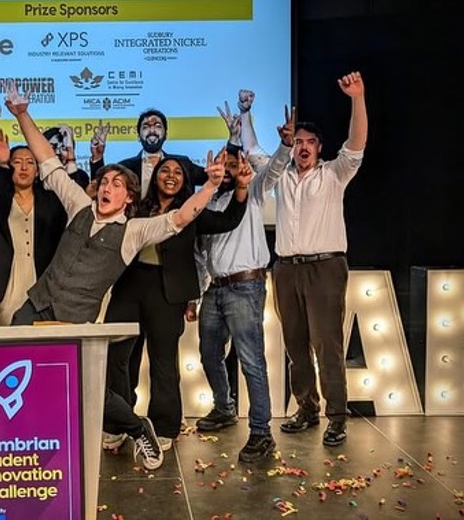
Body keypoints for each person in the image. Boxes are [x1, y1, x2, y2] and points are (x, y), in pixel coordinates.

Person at [1, 80, 227, 470]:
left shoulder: (134, 231)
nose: (106, 187)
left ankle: (138, 427)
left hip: (76, 318)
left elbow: (180, 218)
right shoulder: (78, 205)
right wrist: (22, 114)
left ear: (129, 197)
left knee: (86, 386)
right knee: (17, 369)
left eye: (116, 184)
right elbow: (47, 162)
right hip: (37, 303)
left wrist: (209, 185)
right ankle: (35, 437)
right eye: (104, 181)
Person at [102, 154, 252, 452]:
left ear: (185, 180)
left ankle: (164, 426)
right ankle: (118, 423)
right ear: (155, 176)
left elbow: (228, 220)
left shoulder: (191, 211)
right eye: (164, 170)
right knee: (118, 358)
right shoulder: (136, 208)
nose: (170, 175)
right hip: (129, 288)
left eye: (178, 172)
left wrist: (242, 189)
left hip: (168, 292)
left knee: (163, 362)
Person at [193, 89, 293, 463]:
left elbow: (274, 170)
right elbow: (201, 252)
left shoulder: (251, 191)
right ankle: (223, 406)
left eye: (231, 162)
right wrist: (197, 292)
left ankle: (261, 432)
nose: (226, 166)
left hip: (246, 287)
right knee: (207, 355)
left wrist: (283, 146)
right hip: (213, 290)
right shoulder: (208, 199)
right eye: (220, 162)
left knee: (251, 360)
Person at [272, 71, 368, 447]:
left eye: (310, 142)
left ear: (320, 147)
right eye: (298, 142)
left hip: (325, 267)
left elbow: (357, 142)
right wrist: (246, 118)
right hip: (285, 269)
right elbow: (253, 150)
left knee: (326, 343)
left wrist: (357, 98)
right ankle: (306, 408)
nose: (304, 147)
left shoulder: (333, 174)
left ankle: (337, 416)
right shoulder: (280, 176)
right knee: (295, 343)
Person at [0, 127, 70, 326]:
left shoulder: (52, 201)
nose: (24, 168)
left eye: (30, 163)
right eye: (17, 162)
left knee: (44, 346)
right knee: (10, 345)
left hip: (43, 280)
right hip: (7, 281)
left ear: (37, 171)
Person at [89, 108, 206, 197]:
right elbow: (99, 188)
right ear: (138, 136)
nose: (152, 130)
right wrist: (97, 157)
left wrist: (225, 147)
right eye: (146, 127)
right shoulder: (124, 167)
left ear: (166, 135)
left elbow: (213, 178)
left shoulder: (183, 164)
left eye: (158, 126)